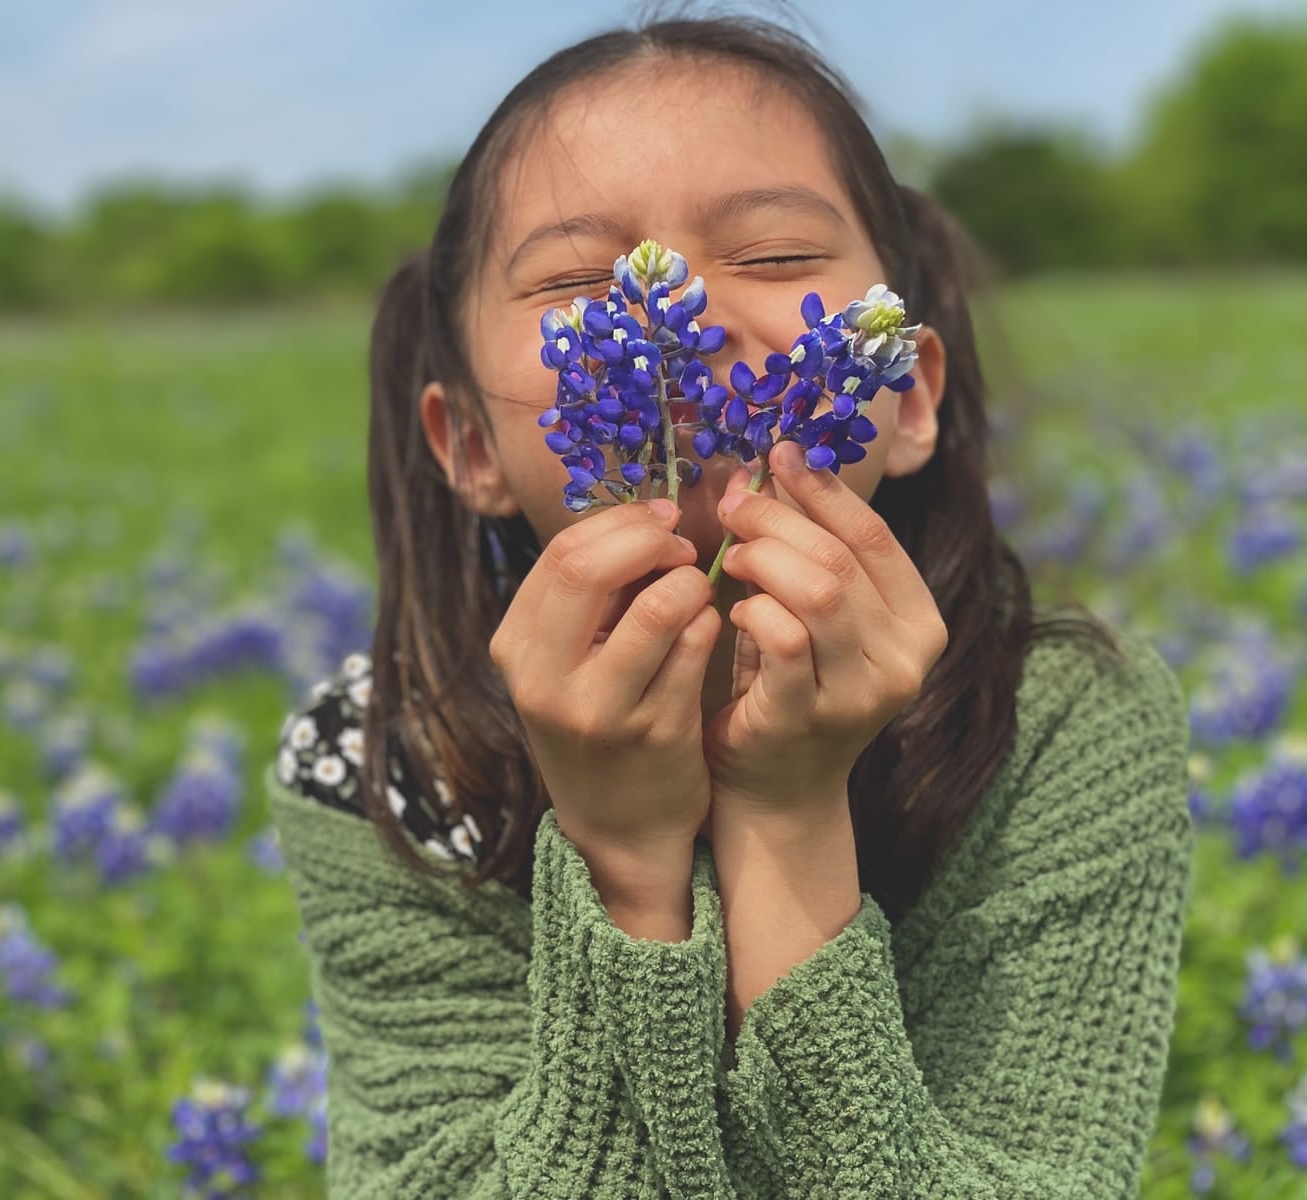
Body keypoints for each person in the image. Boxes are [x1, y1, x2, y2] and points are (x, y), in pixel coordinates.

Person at [267, 8, 1195, 1197]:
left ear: (904, 400)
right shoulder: (388, 759)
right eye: (578, 284)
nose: (678, 329)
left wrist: (787, 812)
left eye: (770, 261)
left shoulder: (1059, 722)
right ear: (468, 446)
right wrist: (622, 865)